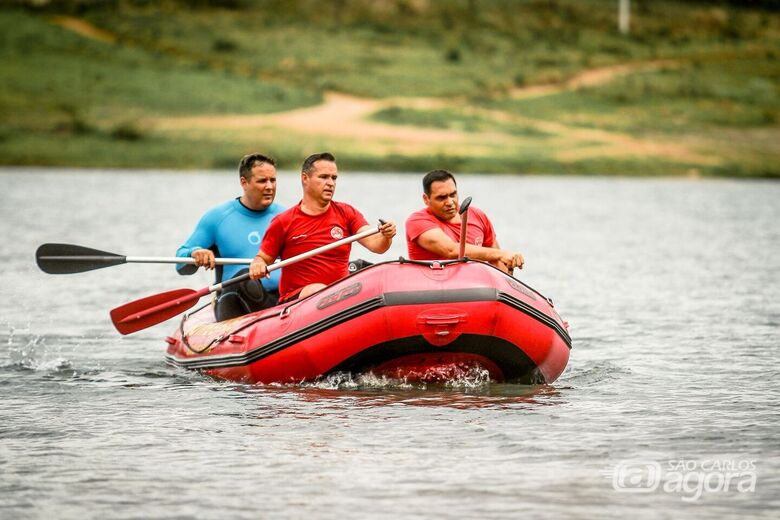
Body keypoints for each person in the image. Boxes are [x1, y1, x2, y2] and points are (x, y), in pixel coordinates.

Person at [249, 152, 396, 302]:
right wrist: (258, 264)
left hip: (340, 298)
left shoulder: (347, 213)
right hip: (297, 302)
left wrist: (386, 235)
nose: (331, 183)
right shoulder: (283, 221)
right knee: (318, 290)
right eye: (324, 177)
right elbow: (262, 258)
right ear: (305, 178)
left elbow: (377, 245)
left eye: (334, 178)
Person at [176, 153, 285, 320]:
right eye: (262, 181)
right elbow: (180, 264)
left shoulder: (286, 216)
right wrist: (195, 253)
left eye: (273, 180)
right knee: (245, 275)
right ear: (244, 182)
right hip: (233, 303)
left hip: (279, 299)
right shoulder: (217, 218)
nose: (270, 186)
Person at [405, 169, 524, 273]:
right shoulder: (417, 221)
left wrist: (509, 264)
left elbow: (497, 261)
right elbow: (450, 250)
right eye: (441, 197)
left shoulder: (477, 215)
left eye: (453, 195)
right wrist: (502, 254)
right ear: (426, 199)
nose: (450, 202)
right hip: (433, 286)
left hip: (473, 286)